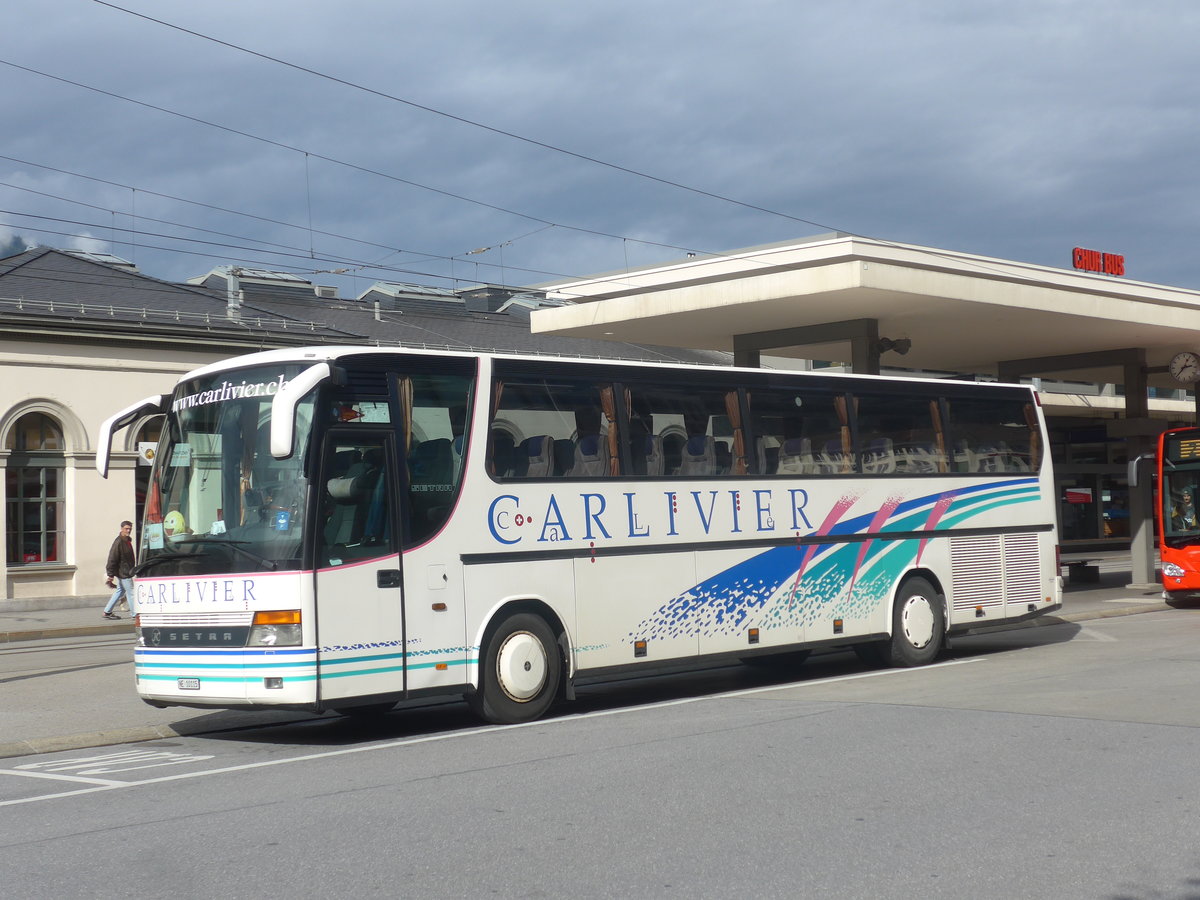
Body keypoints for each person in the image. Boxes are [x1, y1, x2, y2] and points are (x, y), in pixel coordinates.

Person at [102, 520, 137, 620]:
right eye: (126, 528)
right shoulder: (119, 542)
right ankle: (135, 614)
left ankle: (107, 611)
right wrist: (110, 574)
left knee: (120, 591)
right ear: (121, 528)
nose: (128, 530)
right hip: (124, 572)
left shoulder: (126, 540)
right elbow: (112, 558)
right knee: (131, 592)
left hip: (125, 571)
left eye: (130, 529)